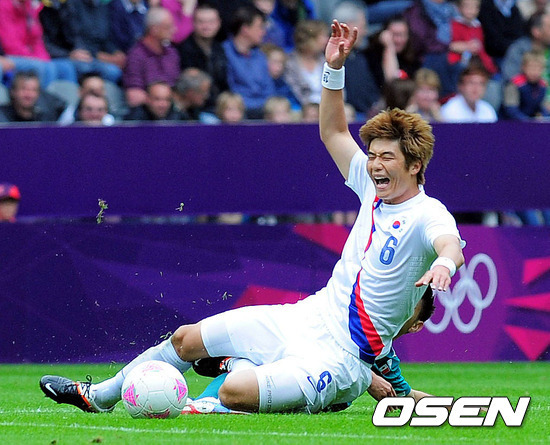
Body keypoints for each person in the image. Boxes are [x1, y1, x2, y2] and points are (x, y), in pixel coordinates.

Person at [39, 19, 464, 416]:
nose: (374, 165)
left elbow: (448, 244)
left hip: (342, 360)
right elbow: (333, 132)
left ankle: (225, 386)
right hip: (306, 318)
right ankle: (100, 396)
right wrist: (333, 69)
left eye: (386, 157)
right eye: (372, 156)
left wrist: (444, 264)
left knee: (234, 391)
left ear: (414, 165)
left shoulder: (427, 213)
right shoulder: (372, 187)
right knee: (186, 338)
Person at [186, 287, 436, 414]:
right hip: (301, 366)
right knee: (243, 388)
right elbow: (336, 347)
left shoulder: (386, 358)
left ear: (416, 325)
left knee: (249, 387)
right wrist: (368, 377)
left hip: (313, 395)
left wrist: (450, 407)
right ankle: (214, 389)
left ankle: (229, 367)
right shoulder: (357, 318)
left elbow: (405, 396)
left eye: (409, 308)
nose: (399, 309)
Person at [0, 0, 77, 88]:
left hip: (28, 56)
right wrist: (35, 59)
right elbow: (10, 46)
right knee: (46, 68)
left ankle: (67, 97)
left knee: (66, 67)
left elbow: (37, 40)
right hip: (11, 56)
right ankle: (44, 97)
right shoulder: (3, 5)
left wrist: (43, 59)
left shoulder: (28, 6)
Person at [223, 4, 276, 119]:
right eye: (260, 27)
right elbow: (230, 90)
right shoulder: (223, 54)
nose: (263, 32)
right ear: (245, 29)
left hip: (263, 111)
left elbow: (269, 90)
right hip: (238, 114)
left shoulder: (260, 56)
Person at [123, 7, 181, 108]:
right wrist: (160, 99)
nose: (174, 30)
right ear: (154, 29)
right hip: (145, 112)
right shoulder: (136, 55)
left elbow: (178, 87)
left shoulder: (172, 53)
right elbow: (133, 95)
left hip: (173, 110)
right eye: (168, 27)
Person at [176, 2, 229, 113]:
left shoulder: (220, 48)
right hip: (194, 110)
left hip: (219, 106)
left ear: (219, 23)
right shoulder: (183, 50)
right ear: (193, 23)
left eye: (211, 22)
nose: (206, 26)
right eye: (201, 22)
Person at [333, 2, 382, 117]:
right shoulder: (331, 57)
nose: (365, 32)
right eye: (362, 27)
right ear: (348, 26)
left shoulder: (361, 55)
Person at [69, 0, 126, 84]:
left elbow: (105, 38)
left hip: (100, 56)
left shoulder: (103, 8)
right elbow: (74, 37)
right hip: (81, 54)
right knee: (86, 69)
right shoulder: (73, 5)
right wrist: (97, 54)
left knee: (117, 71)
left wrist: (115, 52)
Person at [284, 19, 329, 107]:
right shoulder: (290, 63)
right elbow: (294, 91)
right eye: (323, 36)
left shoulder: (326, 61)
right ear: (311, 39)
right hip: (301, 109)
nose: (327, 40)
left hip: (327, 107)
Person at [448, 0, 498, 78]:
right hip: (456, 63)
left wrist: (492, 69)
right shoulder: (453, 25)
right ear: (459, 8)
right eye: (467, 7)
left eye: (475, 7)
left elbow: (481, 50)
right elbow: (449, 46)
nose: (471, 11)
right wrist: (466, 46)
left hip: (474, 63)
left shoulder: (477, 26)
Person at [503, 50, 550, 119]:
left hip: (532, 122)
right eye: (531, 67)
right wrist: (527, 121)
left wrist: (542, 116)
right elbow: (511, 109)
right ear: (523, 67)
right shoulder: (514, 84)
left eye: (538, 68)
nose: (534, 72)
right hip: (512, 122)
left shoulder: (543, 85)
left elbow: (543, 108)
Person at [478, 0, 525, 68]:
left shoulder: (514, 8)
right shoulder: (485, 7)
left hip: (513, 52)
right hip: (494, 55)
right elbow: (492, 37)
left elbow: (519, 32)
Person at [262, 43, 301, 110]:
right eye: (275, 62)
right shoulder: (259, 84)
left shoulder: (283, 84)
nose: (279, 66)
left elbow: (294, 104)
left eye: (282, 62)